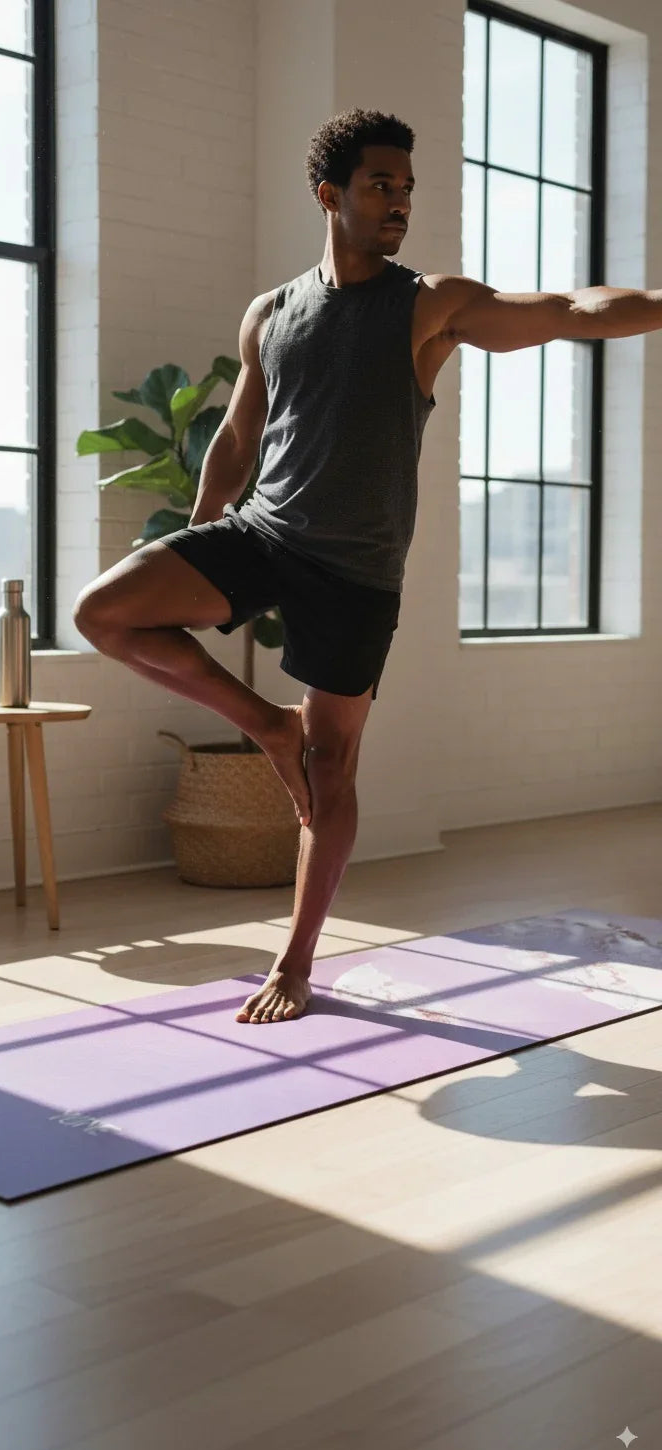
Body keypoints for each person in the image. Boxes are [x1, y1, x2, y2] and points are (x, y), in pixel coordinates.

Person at [74, 106, 660, 1023]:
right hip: (264, 532)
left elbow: (570, 311)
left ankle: (298, 962)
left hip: (355, 573)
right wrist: (193, 536)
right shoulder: (271, 313)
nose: (400, 203)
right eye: (382, 185)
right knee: (103, 611)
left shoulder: (429, 304)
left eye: (407, 188)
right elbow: (238, 432)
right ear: (329, 194)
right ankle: (268, 726)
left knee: (334, 771)